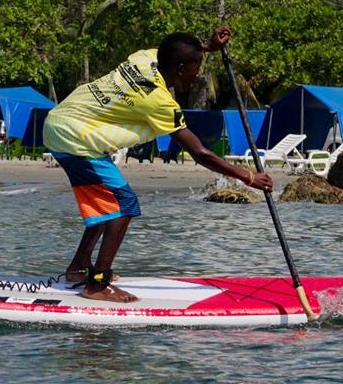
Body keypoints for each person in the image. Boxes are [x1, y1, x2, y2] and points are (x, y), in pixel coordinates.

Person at [43, 28, 273, 303]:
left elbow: (171, 49)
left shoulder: (146, 58)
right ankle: (97, 284)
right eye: (194, 67)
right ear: (178, 68)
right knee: (122, 204)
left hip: (60, 124)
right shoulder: (159, 101)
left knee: (107, 204)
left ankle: (79, 269)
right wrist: (248, 177)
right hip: (75, 139)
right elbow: (199, 153)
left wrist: (207, 48)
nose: (197, 74)